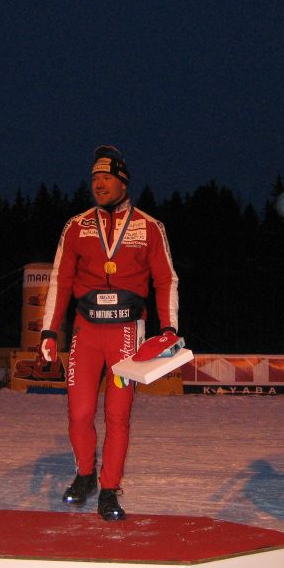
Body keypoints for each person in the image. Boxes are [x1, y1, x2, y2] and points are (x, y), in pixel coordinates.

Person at [39, 145, 179, 521]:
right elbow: (60, 279)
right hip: (86, 332)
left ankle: (109, 489)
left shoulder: (149, 227)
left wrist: (169, 328)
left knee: (117, 416)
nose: (98, 184)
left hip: (127, 336)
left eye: (106, 178)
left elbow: (166, 280)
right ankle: (85, 474)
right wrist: (49, 331)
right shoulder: (76, 225)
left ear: (123, 183)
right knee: (80, 413)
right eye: (94, 179)